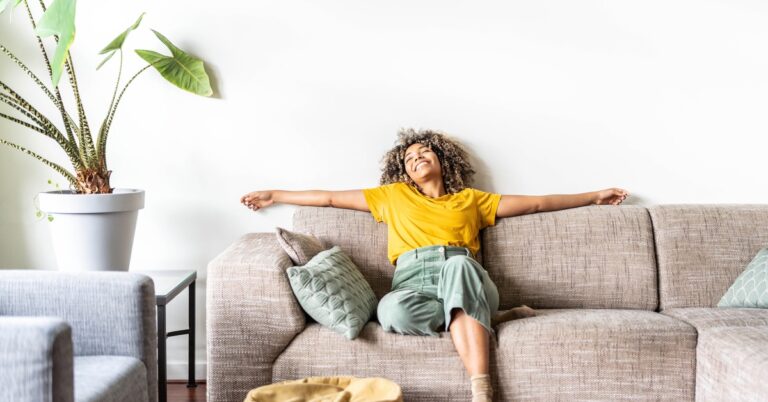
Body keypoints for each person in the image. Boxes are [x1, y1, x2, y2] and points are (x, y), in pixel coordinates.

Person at [240, 128, 629, 402]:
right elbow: (327, 198)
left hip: (460, 269)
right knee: (389, 310)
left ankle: (481, 389)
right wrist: (274, 194)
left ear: (442, 160)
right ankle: (496, 316)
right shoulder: (391, 197)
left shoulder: (472, 201)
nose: (417, 158)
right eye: (409, 158)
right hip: (412, 281)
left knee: (458, 270)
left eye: (424, 152)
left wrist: (593, 195)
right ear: (403, 171)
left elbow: (538, 203)